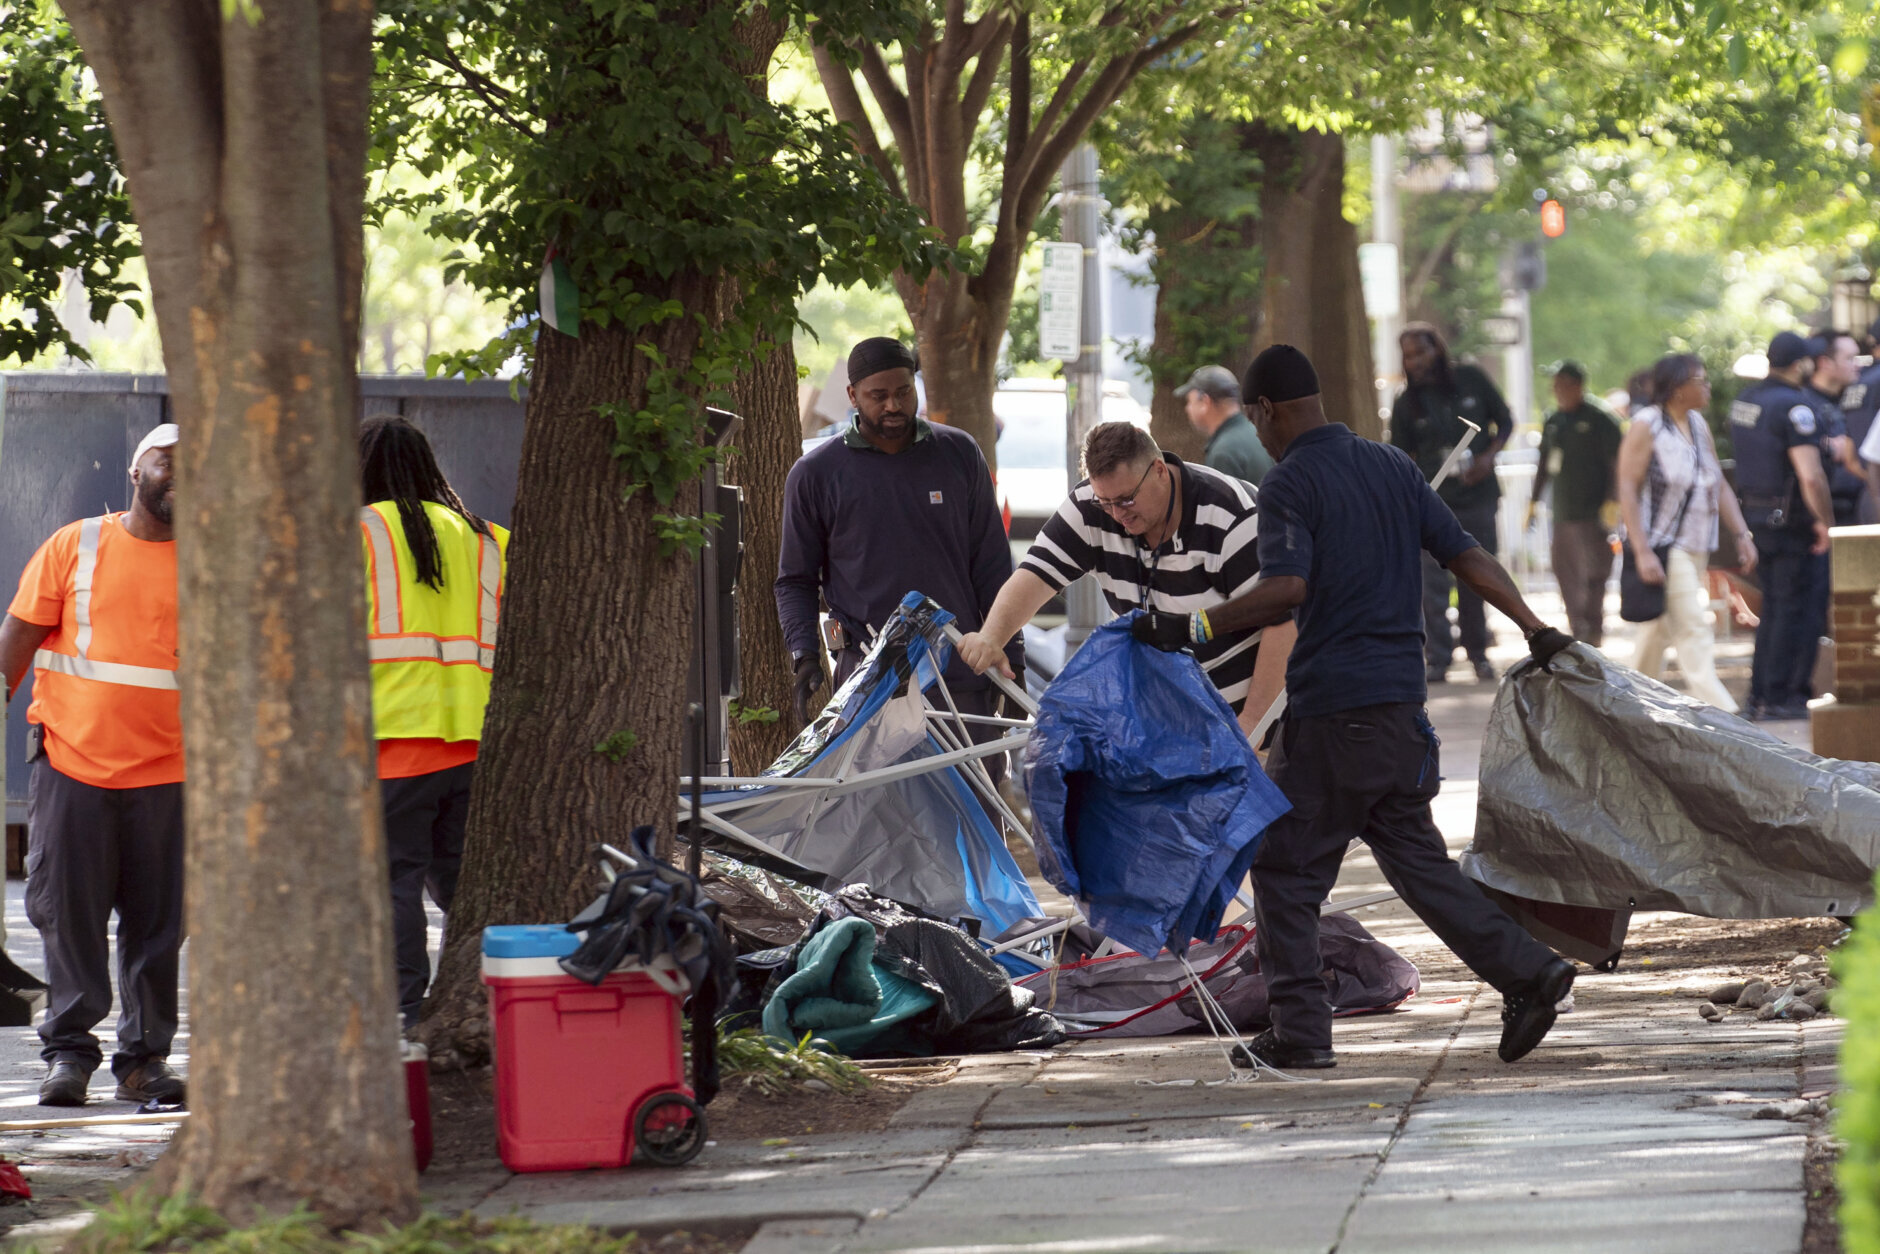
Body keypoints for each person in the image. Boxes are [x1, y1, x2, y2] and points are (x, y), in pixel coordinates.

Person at [1134, 344, 1575, 1070]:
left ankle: (1302, 1031)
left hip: (1332, 716)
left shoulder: (1290, 482)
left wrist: (1195, 627)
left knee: (1282, 869)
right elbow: (1466, 553)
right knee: (1423, 870)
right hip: (1402, 710)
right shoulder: (1393, 466)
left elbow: (1287, 590)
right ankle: (1531, 971)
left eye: (1257, 417)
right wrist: (1535, 627)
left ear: (1265, 410)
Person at [0, 424, 187, 1107]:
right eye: (167, 461)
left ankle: (144, 1061)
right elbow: (15, 641)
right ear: (137, 472)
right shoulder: (77, 546)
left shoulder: (212, 565)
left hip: (171, 774)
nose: (181, 474)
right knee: (67, 918)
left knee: (158, 925)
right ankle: (69, 1057)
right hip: (73, 766)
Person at [953, 421, 1295, 739]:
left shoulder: (1232, 518)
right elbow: (1036, 573)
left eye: (1127, 499)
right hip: (1166, 721)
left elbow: (1283, 623)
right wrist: (992, 637)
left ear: (1159, 470)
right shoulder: (1091, 506)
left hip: (1247, 718)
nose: (1118, 514)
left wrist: (1251, 727)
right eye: (1107, 504)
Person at [776, 337, 1020, 770]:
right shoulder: (815, 474)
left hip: (961, 677)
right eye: (878, 396)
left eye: (903, 391)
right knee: (876, 826)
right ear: (852, 396)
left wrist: (1010, 650)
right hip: (869, 684)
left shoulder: (958, 453)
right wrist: (805, 655)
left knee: (975, 817)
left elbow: (994, 568)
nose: (893, 405)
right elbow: (795, 579)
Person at [357, 417, 509, 1028]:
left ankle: (401, 1012)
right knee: (463, 889)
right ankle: (473, 1004)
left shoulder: (352, 535)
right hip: (476, 744)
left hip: (390, 739)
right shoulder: (491, 539)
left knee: (391, 880)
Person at [1616, 354, 1757, 713]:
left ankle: (1627, 706)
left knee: (1657, 631)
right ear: (1678, 388)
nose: (1707, 386)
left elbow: (1717, 484)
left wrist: (1741, 533)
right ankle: (1724, 713)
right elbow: (1627, 487)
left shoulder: (1696, 424)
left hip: (1696, 545)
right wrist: (1643, 550)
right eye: (1701, 379)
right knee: (1693, 626)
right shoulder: (1647, 424)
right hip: (1664, 544)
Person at [1390, 323, 1513, 683]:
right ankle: (1438, 658)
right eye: (1408, 356)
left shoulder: (1471, 378)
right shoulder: (1406, 403)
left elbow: (1504, 421)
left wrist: (1488, 458)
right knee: (1433, 583)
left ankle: (1478, 653)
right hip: (1433, 502)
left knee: (1477, 574)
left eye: (1421, 352)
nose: (1415, 362)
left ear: (1438, 349)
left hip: (1478, 498)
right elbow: (1401, 454)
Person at [1732, 332, 1835, 721]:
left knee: (1773, 609)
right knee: (1798, 610)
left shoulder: (1747, 401)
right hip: (1794, 526)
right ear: (1799, 364)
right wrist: (1826, 522)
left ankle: (1760, 694)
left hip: (1760, 520)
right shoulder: (1795, 406)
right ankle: (1784, 696)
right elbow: (1811, 476)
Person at [1528, 361, 1623, 646]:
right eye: (1554, 385)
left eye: (1563, 384)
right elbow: (1544, 463)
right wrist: (1532, 502)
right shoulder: (1554, 420)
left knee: (1595, 573)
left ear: (1578, 386)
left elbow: (1616, 466)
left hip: (1593, 514)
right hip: (1563, 514)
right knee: (1565, 572)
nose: (1557, 390)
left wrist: (1613, 503)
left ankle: (1594, 628)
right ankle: (1577, 628)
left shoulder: (1601, 419)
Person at [1803, 330, 1867, 528]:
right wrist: (1826, 447)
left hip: (1859, 507)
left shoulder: (1859, 399)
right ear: (1825, 363)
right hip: (1823, 516)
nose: (1858, 364)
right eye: (1850, 358)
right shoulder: (1801, 404)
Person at [1176, 364, 1274, 486]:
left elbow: (1221, 504)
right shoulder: (1260, 433)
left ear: (1205, 402)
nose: (1187, 409)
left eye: (1189, 402)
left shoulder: (1223, 453)